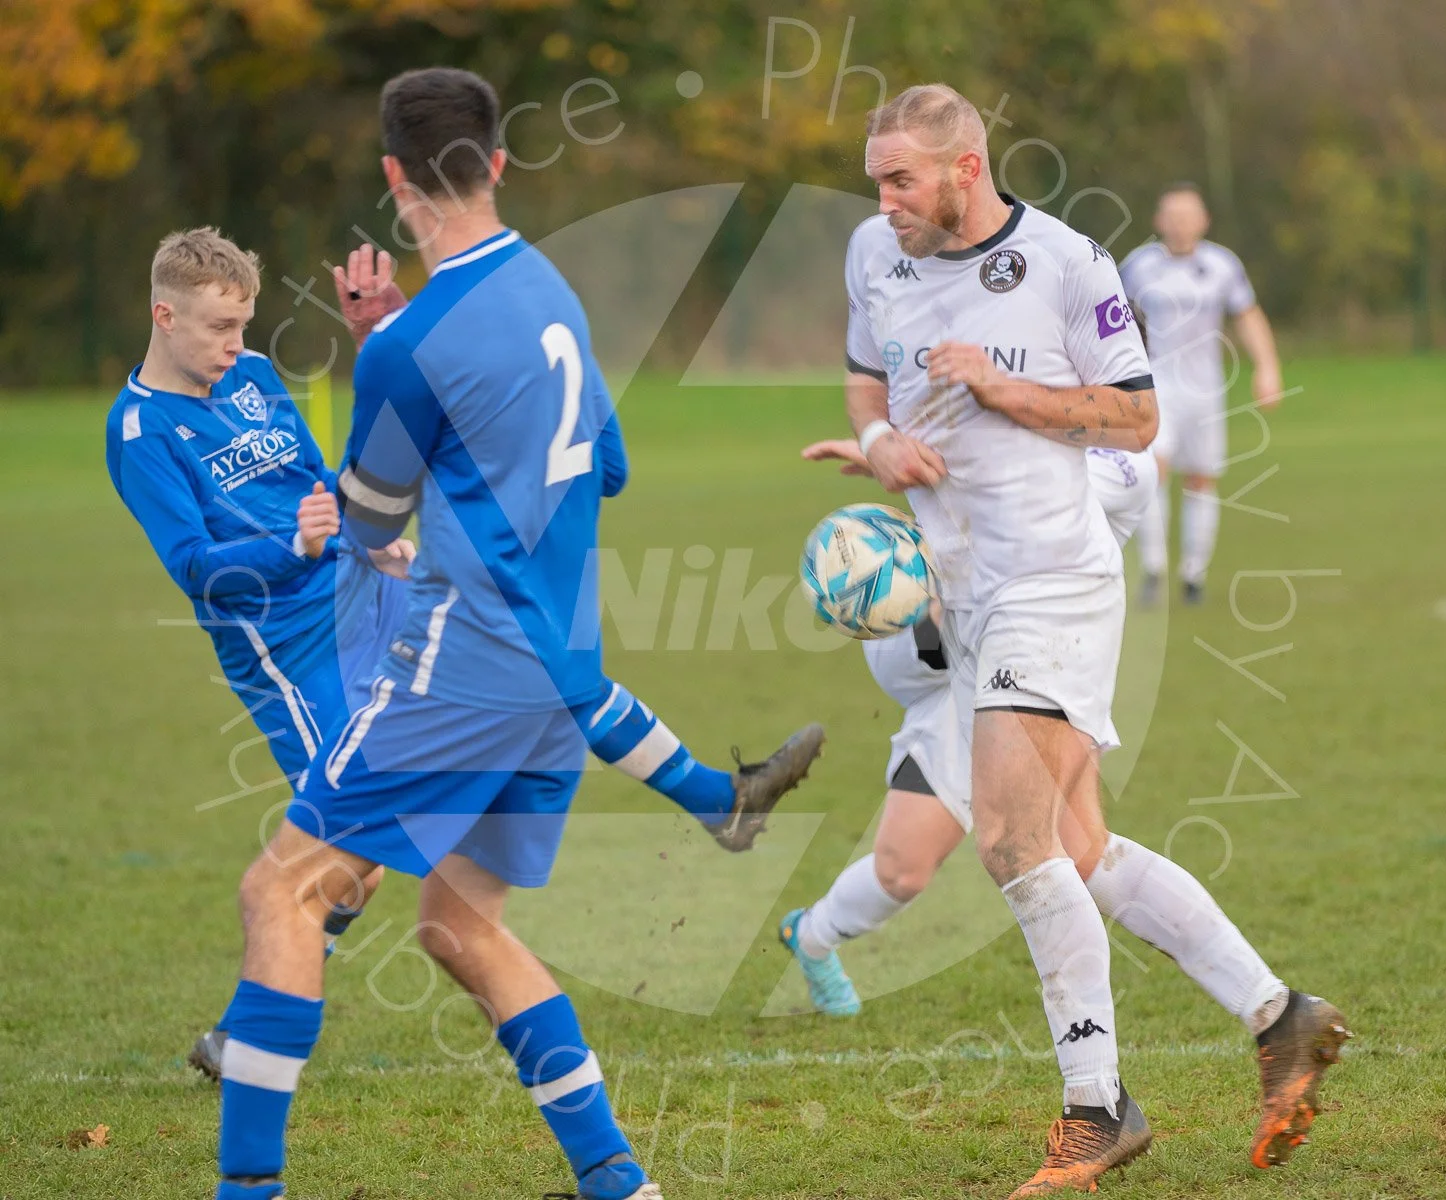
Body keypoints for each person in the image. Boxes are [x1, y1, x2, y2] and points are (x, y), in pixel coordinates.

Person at [209, 67, 829, 1200]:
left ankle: (246, 1192)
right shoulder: (553, 289)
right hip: (557, 681)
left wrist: (375, 374)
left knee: (282, 893)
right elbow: (615, 464)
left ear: (394, 178)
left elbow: (374, 518)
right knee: (458, 926)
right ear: (497, 164)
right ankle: (618, 1183)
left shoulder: (408, 342)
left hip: (463, 667)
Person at [838, 84, 1344, 1196]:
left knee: (1010, 843)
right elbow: (866, 371)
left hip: (1054, 582)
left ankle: (1096, 1108)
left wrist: (1006, 389)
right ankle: (1281, 1016)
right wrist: (877, 438)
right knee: (1074, 851)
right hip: (964, 593)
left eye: (902, 179)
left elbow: (1136, 418)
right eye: (877, 179)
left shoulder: (1069, 265)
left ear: (965, 167)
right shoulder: (874, 251)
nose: (884, 200)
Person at [784, 440, 1348, 1176]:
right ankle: (1277, 1015)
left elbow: (1134, 469)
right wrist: (911, 541)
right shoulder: (926, 541)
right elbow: (915, 669)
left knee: (1037, 854)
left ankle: (1101, 1105)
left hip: (1044, 650)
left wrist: (1009, 487)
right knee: (930, 867)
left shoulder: (1052, 464)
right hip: (959, 703)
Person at [104, 226, 410, 1077]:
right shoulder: (140, 434)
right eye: (218, 330)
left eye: (244, 326)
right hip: (285, 647)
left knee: (379, 831)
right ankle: (253, 1034)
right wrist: (294, 553)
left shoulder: (259, 378)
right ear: (164, 316)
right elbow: (195, 569)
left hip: (363, 599)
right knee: (359, 843)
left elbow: (319, 484)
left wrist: (370, 539)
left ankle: (247, 1033)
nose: (238, 347)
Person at [1118, 183, 1284, 605]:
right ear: (1158, 221)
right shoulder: (1138, 266)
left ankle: (1194, 573)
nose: (1179, 223)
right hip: (1153, 386)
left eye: (1188, 215)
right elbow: (1111, 321)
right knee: (1154, 470)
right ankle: (1153, 569)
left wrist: (1267, 367)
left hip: (1206, 390)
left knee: (1201, 479)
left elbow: (1247, 315)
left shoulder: (1222, 265)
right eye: (1171, 215)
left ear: (1204, 220)